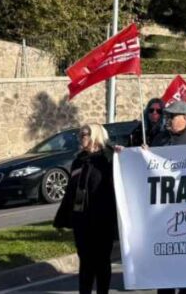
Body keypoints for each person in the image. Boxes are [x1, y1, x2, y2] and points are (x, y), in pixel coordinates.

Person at [148, 102, 186, 294]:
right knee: (164, 265)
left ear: (185, 117)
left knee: (185, 263)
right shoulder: (160, 139)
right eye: (168, 116)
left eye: (172, 116)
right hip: (164, 211)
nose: (168, 120)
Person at [53, 124, 118, 294]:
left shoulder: (109, 158)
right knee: (86, 262)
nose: (81, 138)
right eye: (80, 135)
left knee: (102, 262)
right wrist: (61, 219)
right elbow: (70, 193)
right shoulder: (79, 160)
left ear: (95, 136)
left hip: (103, 219)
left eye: (85, 134)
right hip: (82, 220)